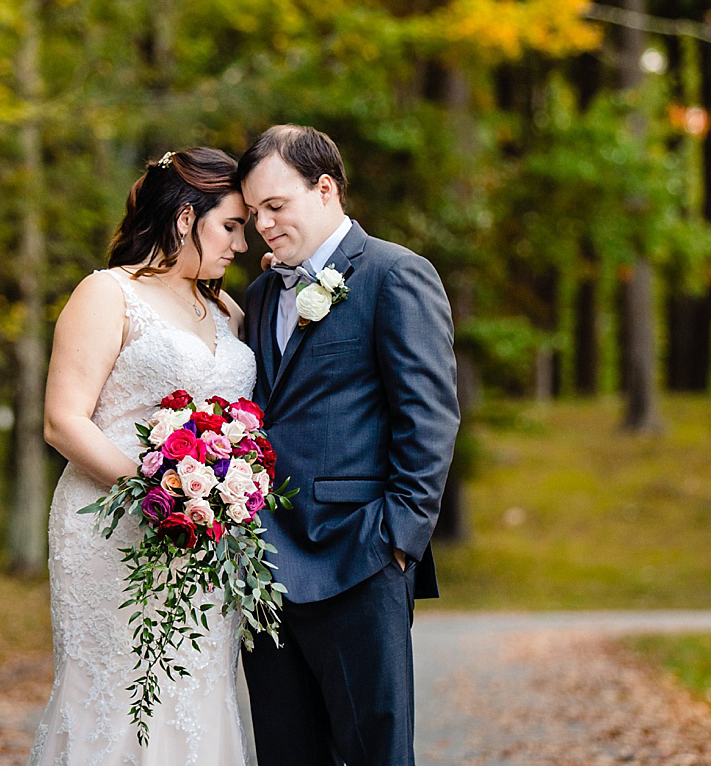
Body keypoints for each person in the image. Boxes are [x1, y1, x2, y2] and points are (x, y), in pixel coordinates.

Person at [237, 124, 458, 765]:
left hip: (360, 555)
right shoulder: (259, 293)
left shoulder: (396, 275)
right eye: (253, 214)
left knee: (373, 753)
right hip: (265, 569)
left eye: (276, 207)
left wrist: (399, 539)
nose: (264, 226)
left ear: (325, 188)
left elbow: (431, 416)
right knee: (288, 754)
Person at [29, 147, 256, 766]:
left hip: (205, 540)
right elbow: (63, 420)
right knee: (116, 691)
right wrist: (161, 491)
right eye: (231, 225)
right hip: (111, 525)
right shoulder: (108, 293)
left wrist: (216, 497)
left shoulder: (227, 311)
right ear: (186, 218)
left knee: (198, 689)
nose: (242, 242)